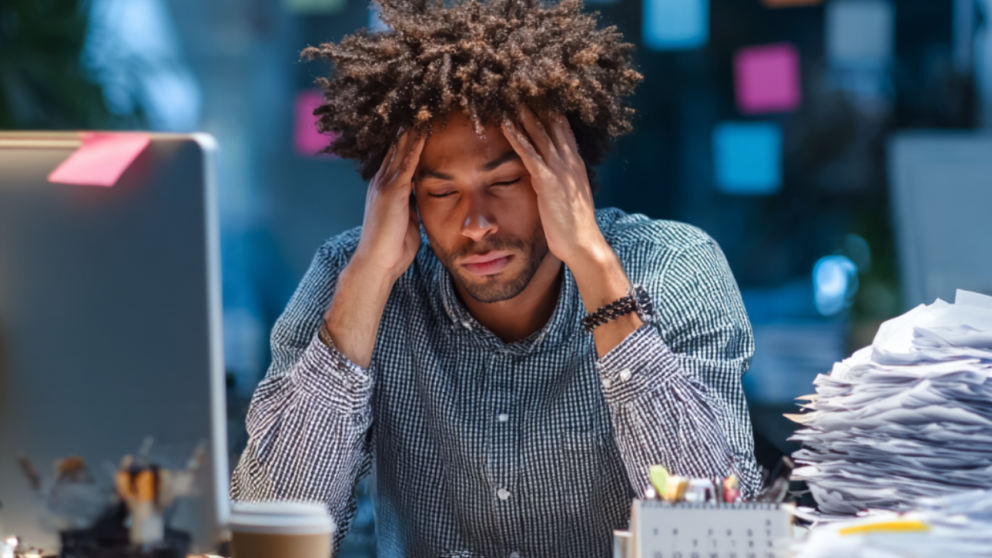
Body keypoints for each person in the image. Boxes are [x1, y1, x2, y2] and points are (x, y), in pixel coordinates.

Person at [231, 0, 760, 555]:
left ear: (567, 174)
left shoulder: (672, 268)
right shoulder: (355, 277)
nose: (475, 225)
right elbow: (267, 532)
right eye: (440, 192)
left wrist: (595, 271)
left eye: (504, 182)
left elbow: (723, 535)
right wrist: (366, 285)